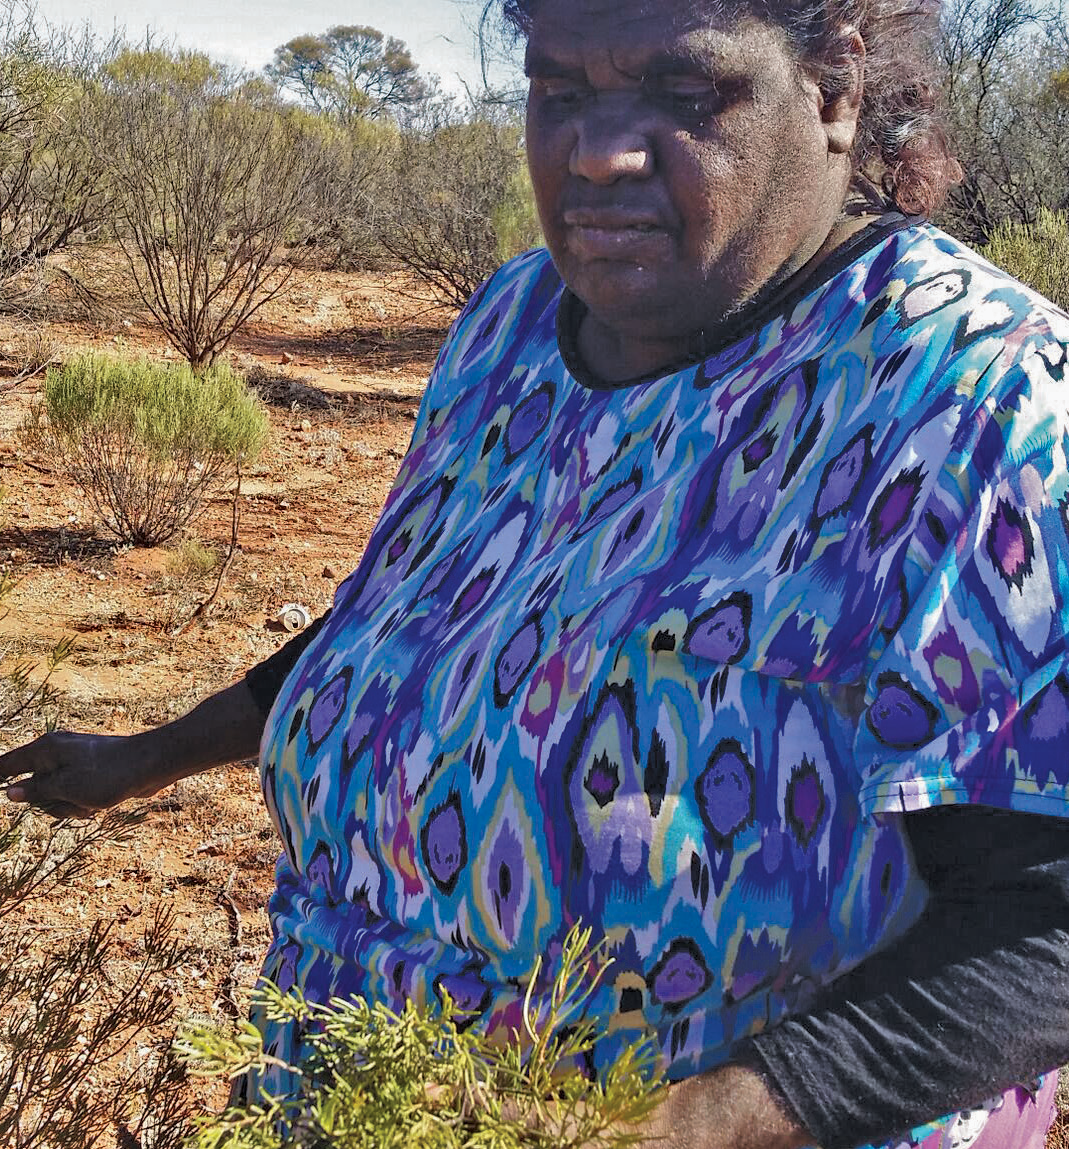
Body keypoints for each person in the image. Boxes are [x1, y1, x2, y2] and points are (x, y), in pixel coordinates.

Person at [3, 0, 1069, 1144]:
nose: (598, 150)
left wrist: (675, 1127)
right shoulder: (512, 325)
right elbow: (433, 614)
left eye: (684, 93)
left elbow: (1042, 926)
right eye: (559, 90)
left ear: (835, 89)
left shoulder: (978, 399)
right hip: (343, 1095)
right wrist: (152, 755)